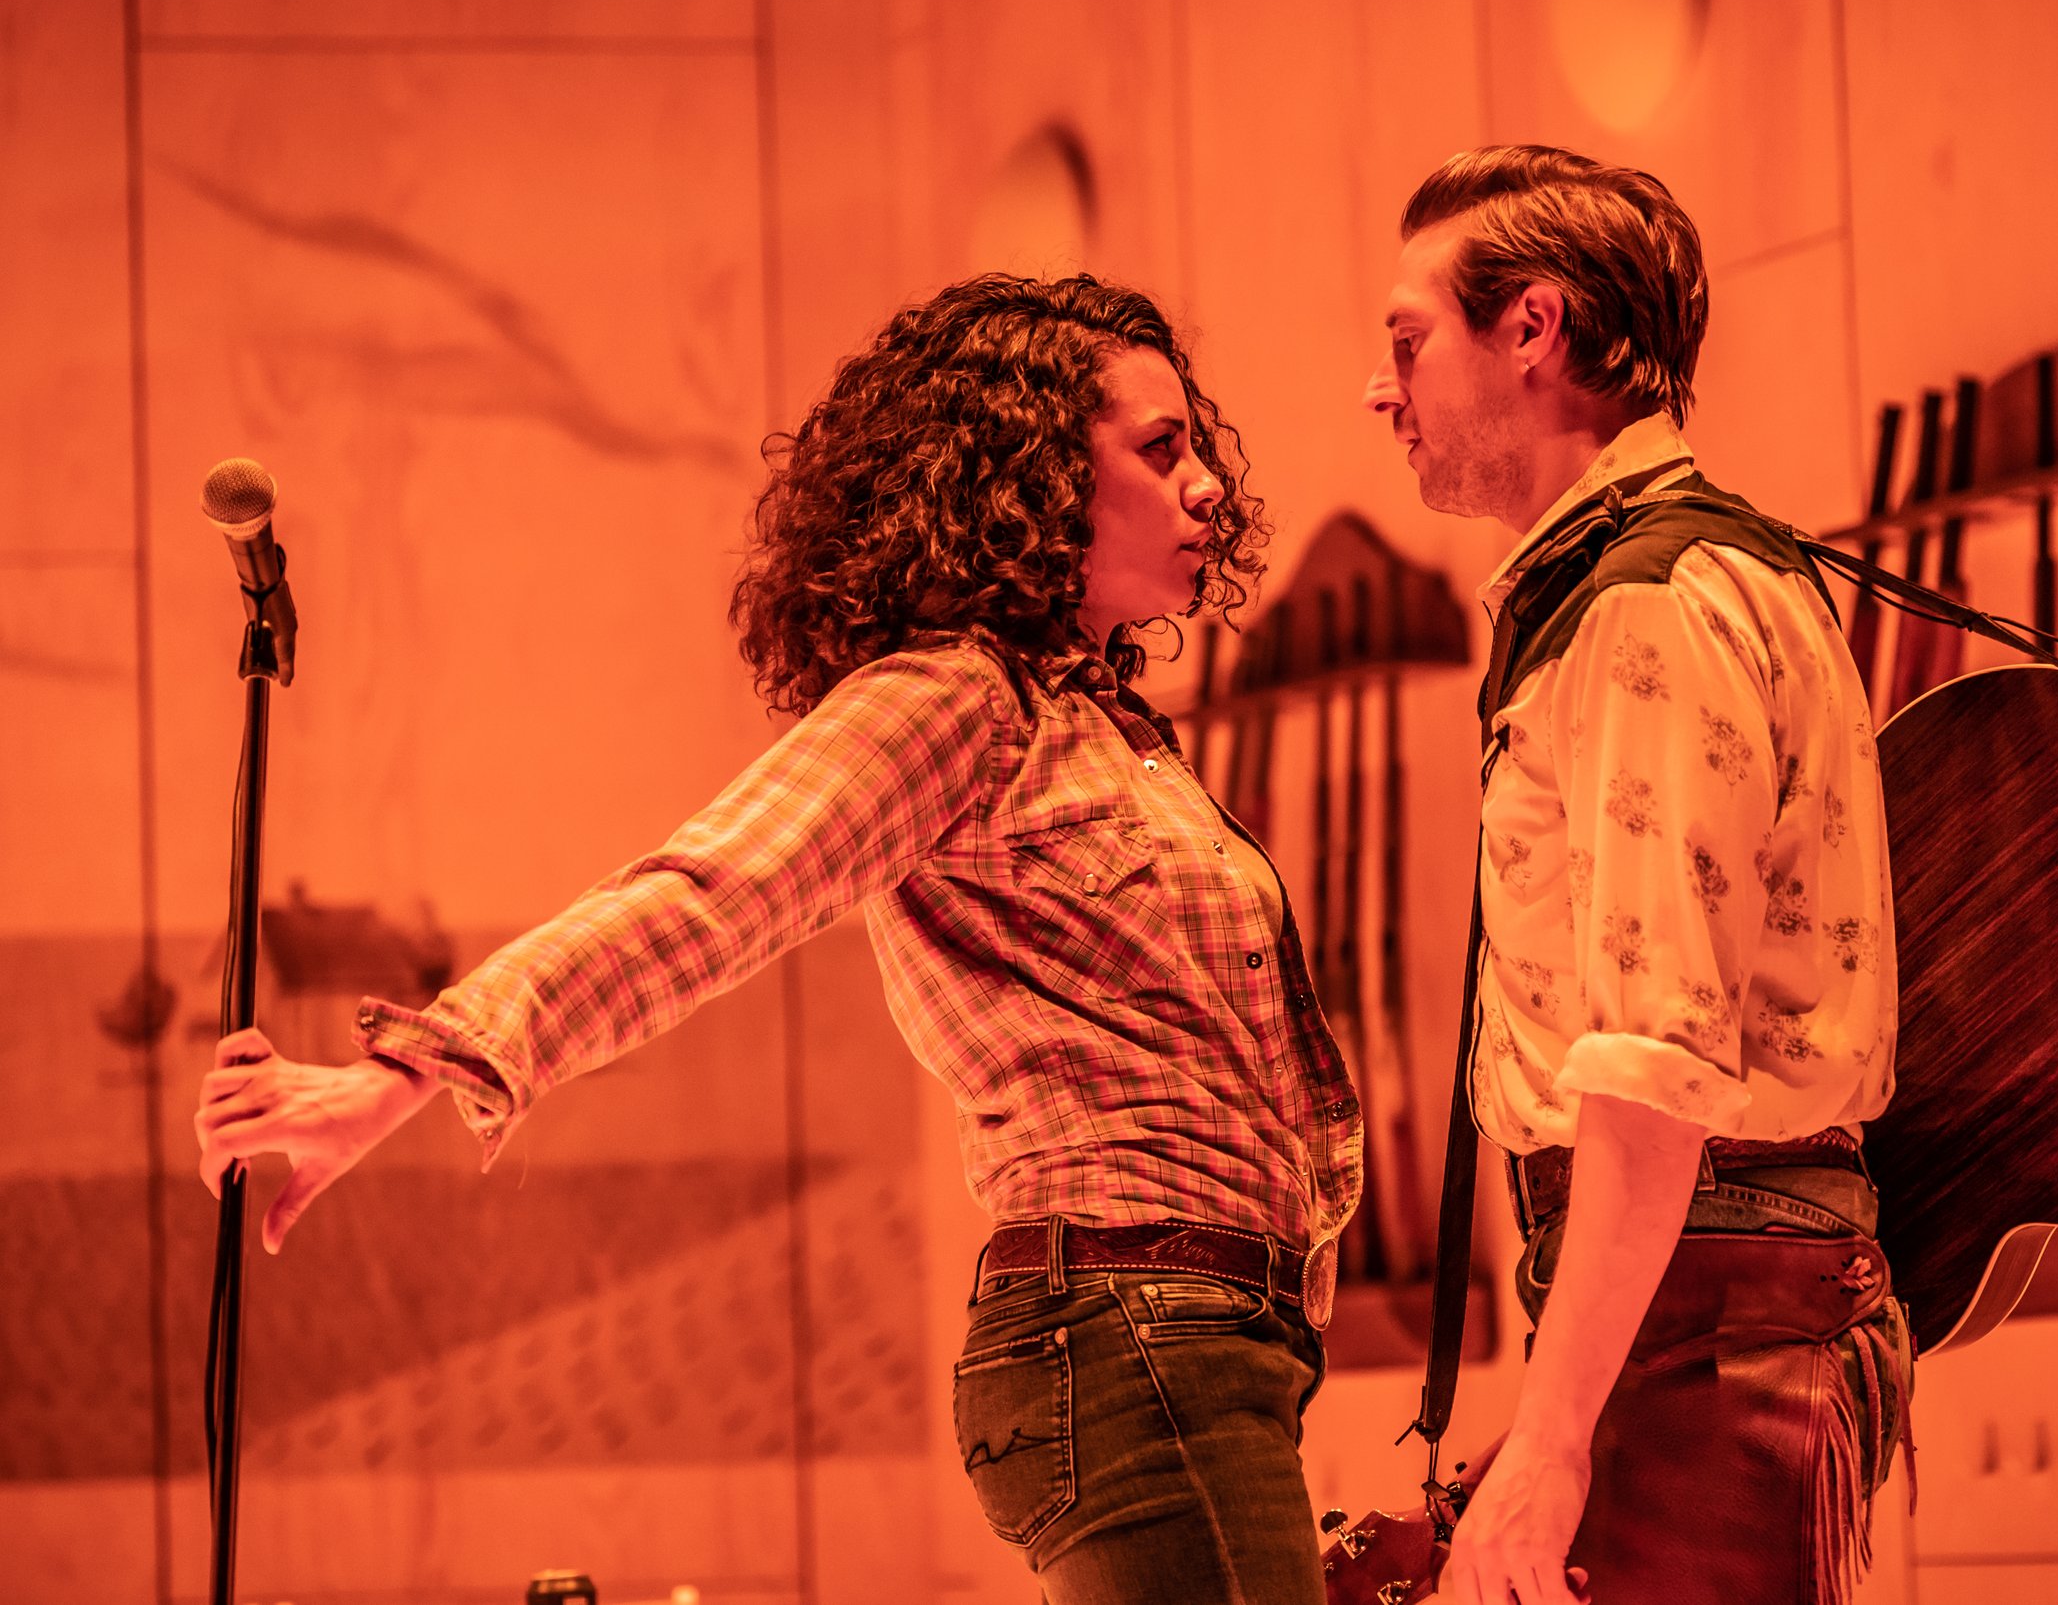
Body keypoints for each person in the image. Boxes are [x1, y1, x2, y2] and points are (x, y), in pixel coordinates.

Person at [194, 273, 1363, 1605]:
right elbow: (711, 894)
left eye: (1198, 444)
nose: (1209, 482)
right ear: (1031, 478)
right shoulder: (955, 700)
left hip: (1196, 1339)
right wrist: (415, 1071)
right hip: (1135, 1330)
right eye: (1162, 450)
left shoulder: (1099, 728)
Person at [1363, 146, 1912, 1604]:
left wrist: (1554, 1443)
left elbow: (1659, 1065)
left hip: (1711, 1297)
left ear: (1533, 331)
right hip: (1695, 1292)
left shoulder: (1649, 608)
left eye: (1409, 343)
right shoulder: (1673, 581)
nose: (1383, 389)